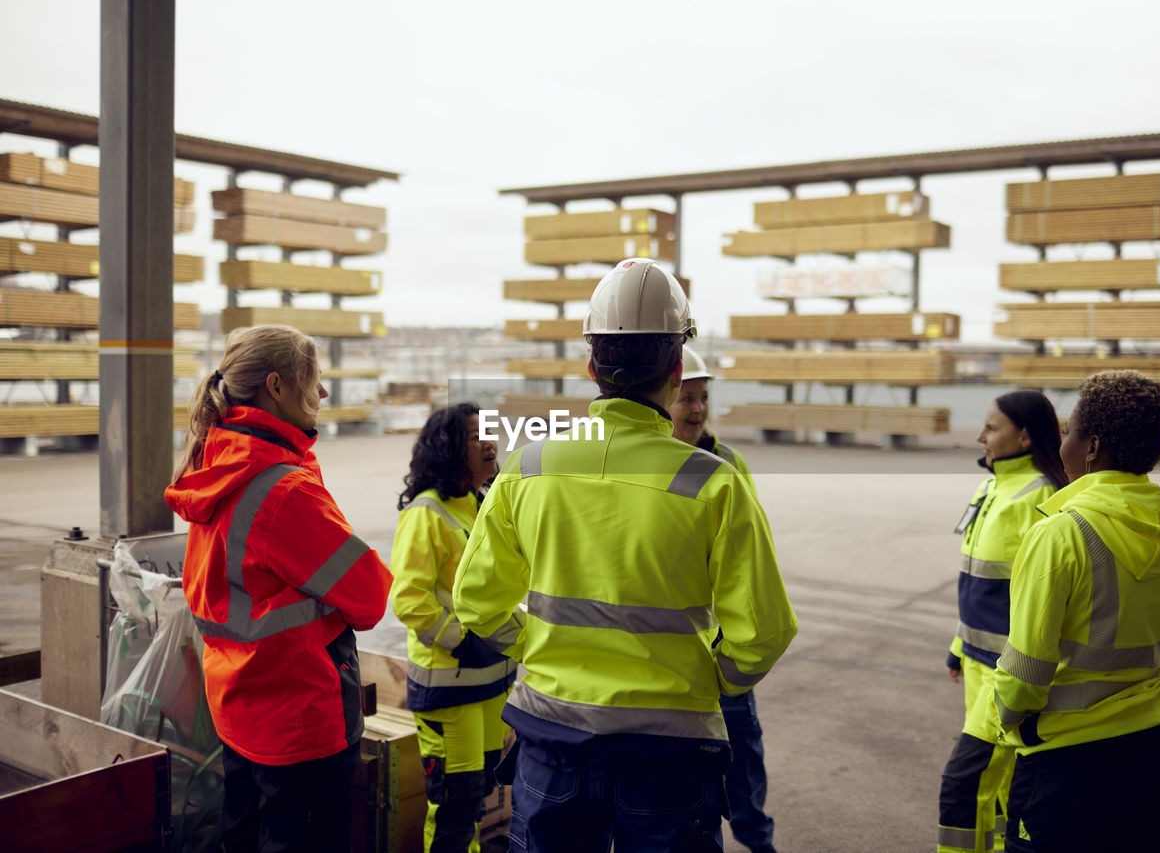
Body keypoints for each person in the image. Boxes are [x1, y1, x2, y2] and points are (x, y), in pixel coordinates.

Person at [451, 258, 799, 853]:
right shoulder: (714, 482)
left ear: (592, 366)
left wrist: (538, 646)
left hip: (552, 742)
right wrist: (710, 680)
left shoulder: (528, 466)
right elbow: (765, 633)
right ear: (676, 366)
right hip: (670, 752)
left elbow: (475, 602)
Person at [165, 324, 392, 852]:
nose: (323, 393)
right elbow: (371, 596)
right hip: (300, 725)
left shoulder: (217, 463)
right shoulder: (283, 492)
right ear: (277, 386)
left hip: (241, 711)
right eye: (313, 379)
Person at [993, 370, 1160, 852]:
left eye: (1068, 432)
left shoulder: (1060, 534)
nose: (1062, 445)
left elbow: (1024, 673)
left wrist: (1009, 723)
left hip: (1071, 770)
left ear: (1092, 447)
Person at [938, 391, 1068, 853]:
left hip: (1008, 672)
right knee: (997, 782)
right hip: (976, 660)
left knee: (964, 783)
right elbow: (983, 582)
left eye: (992, 428)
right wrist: (959, 643)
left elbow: (1043, 600)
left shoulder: (1043, 498)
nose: (980, 437)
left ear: (1026, 435)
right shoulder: (991, 487)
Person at [389, 403, 518, 852]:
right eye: (473, 436)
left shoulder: (482, 501)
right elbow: (409, 598)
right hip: (452, 685)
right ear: (447, 448)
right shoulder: (427, 513)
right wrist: (462, 642)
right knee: (455, 808)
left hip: (490, 684)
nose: (488, 443)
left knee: (477, 799)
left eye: (489, 434)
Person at [670, 347, 773, 853]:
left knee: (743, 757)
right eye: (687, 397)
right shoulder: (653, 465)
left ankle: (756, 840)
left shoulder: (726, 463)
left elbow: (752, 559)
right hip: (672, 648)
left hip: (719, 644)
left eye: (703, 398)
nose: (697, 409)